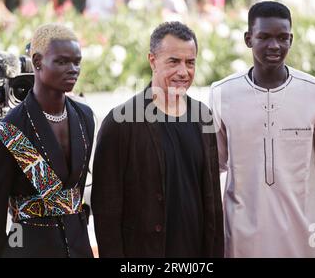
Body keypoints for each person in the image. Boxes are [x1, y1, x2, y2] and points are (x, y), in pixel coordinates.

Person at [209, 1, 315, 258]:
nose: (274, 46)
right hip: (241, 242)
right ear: (248, 39)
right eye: (264, 37)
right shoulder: (221, 94)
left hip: (305, 242)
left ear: (291, 40)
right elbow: (209, 169)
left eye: (282, 37)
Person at [91, 21, 224, 258]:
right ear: (152, 61)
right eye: (173, 61)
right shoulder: (121, 123)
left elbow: (212, 202)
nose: (183, 72)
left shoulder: (203, 117)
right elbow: (106, 211)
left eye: (190, 62)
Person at [0, 23, 95, 257]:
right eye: (62, 61)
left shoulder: (84, 117)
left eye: (77, 61)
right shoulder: (8, 132)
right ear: (37, 62)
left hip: (79, 249)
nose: (73, 69)